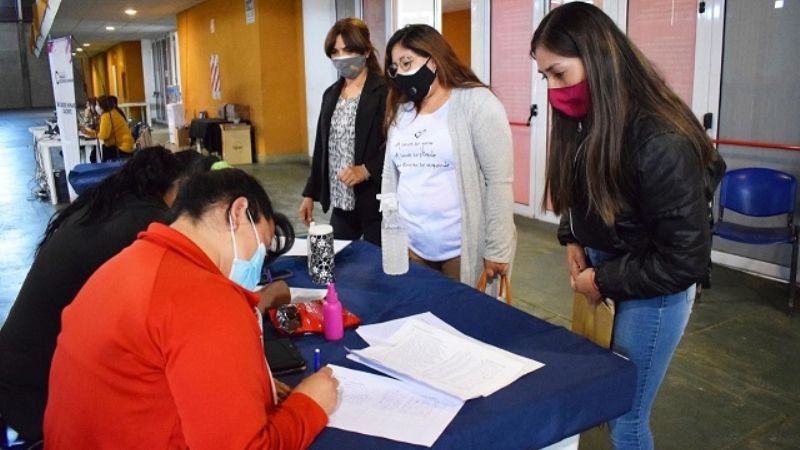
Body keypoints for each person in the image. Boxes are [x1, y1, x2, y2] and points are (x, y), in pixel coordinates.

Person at [530, 4, 723, 449]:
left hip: (653, 290)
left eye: (559, 73)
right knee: (605, 393)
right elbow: (582, 191)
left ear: (598, 58)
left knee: (627, 418)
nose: (554, 90)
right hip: (608, 270)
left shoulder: (659, 138)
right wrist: (572, 237)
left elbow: (683, 260)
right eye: (546, 78)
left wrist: (603, 278)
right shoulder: (590, 118)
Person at [44, 169, 338, 448]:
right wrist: (311, 404)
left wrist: (246, 385)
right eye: (261, 245)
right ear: (238, 212)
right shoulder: (207, 298)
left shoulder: (126, 264)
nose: (257, 264)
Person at [0, 148, 222, 444]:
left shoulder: (112, 204)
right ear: (181, 188)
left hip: (19, 375)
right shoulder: (147, 226)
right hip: (41, 397)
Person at [381, 24, 515, 285]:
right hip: (413, 245)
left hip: (462, 249)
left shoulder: (476, 103)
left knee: (465, 321)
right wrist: (392, 232)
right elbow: (391, 175)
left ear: (434, 59)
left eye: (407, 62)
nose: (401, 73)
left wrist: (497, 248)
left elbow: (499, 180)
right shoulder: (402, 110)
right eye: (395, 67)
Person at [300, 17, 387, 245]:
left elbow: (395, 145)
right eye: (335, 52)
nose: (341, 58)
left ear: (366, 51)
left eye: (348, 50)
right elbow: (322, 147)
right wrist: (309, 193)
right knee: (338, 263)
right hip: (341, 201)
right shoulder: (331, 94)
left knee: (375, 269)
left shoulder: (385, 91)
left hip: (374, 202)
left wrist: (367, 169)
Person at [80, 94, 134, 161]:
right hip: (128, 146)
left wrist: (88, 133)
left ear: (102, 105)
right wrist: (88, 132)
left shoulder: (106, 115)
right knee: (96, 153)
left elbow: (103, 135)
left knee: (94, 156)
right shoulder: (113, 112)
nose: (96, 107)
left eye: (97, 104)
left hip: (121, 148)